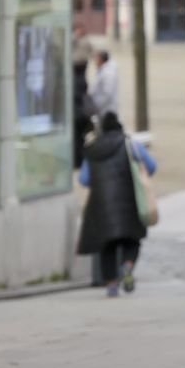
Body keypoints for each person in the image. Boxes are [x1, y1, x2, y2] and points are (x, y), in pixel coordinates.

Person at [78, 112, 156, 298]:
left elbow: (84, 179)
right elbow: (151, 166)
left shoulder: (93, 148)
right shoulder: (131, 145)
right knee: (132, 240)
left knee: (107, 246)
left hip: (101, 205)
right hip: (129, 201)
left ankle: (112, 285)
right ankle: (127, 267)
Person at [71, 27, 94, 169]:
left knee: (77, 138)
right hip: (80, 113)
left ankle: (77, 161)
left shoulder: (76, 82)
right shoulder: (77, 40)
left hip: (77, 114)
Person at [91, 49, 120, 117]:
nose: (94, 61)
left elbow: (107, 94)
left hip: (107, 111)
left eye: (96, 58)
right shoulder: (103, 71)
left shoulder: (108, 74)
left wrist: (95, 105)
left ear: (101, 59)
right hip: (103, 110)